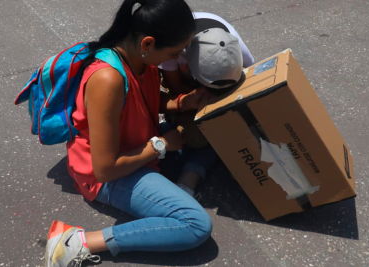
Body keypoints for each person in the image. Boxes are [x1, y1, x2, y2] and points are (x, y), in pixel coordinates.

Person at [43, 0, 213, 266]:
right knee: (196, 225)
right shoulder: (107, 79)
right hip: (107, 173)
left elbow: (143, 98)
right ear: (147, 43)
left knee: (214, 129)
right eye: (173, 53)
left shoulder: (142, 59)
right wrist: (160, 145)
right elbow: (105, 169)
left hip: (140, 146)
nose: (176, 60)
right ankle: (78, 242)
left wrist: (182, 103)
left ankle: (183, 187)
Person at [158, 12, 255, 199]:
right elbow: (175, 88)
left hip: (206, 96)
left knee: (227, 128)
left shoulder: (236, 48)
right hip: (186, 98)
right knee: (200, 137)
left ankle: (189, 174)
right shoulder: (172, 50)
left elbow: (250, 79)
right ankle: (189, 172)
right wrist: (193, 100)